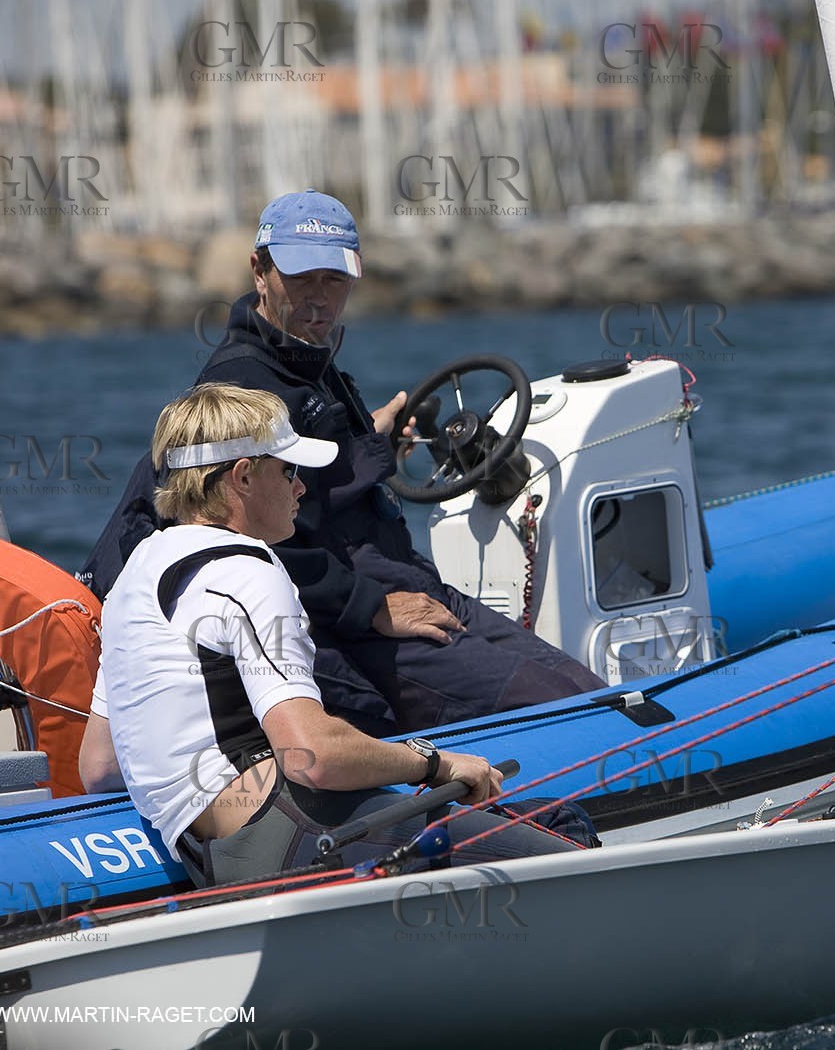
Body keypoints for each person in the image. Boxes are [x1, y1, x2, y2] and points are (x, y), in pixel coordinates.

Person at [81, 189, 603, 734]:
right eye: (302, 278)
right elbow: (239, 542)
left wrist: (367, 444)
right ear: (260, 270)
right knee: (558, 711)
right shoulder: (243, 387)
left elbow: (311, 465)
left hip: (407, 582)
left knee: (589, 694)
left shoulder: (299, 357)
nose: (319, 299)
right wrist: (373, 607)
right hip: (353, 622)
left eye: (334, 280)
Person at [93, 382, 578, 887]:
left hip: (214, 858)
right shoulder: (248, 569)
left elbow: (100, 765)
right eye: (288, 471)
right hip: (289, 829)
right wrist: (435, 763)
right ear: (242, 477)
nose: (301, 487)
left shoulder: (131, 579)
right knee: (564, 825)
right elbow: (314, 757)